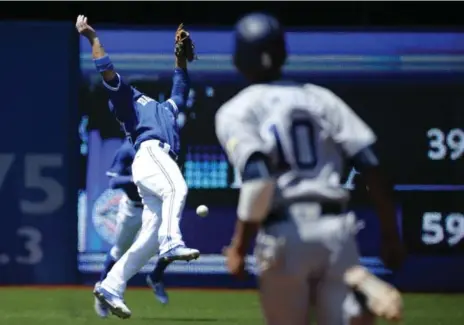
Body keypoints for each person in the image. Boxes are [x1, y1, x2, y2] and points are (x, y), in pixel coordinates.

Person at [216, 13, 404, 325]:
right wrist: (390, 235)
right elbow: (371, 164)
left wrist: (238, 248)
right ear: (283, 54)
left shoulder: (236, 110)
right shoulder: (320, 98)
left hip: (285, 234)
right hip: (336, 232)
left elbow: (259, 181)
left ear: (238, 60)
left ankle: (357, 299)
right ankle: (356, 297)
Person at [76, 15, 200, 319]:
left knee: (146, 243)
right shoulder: (127, 102)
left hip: (157, 162)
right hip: (150, 153)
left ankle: (111, 286)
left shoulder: (163, 109)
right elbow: (105, 68)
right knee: (177, 187)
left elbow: (180, 89)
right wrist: (92, 38)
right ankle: (172, 243)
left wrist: (179, 58)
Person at [94, 139, 173, 318]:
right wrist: (134, 179)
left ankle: (156, 276)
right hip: (133, 208)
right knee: (119, 251)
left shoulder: (162, 147)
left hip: (155, 206)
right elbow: (113, 182)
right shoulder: (127, 149)